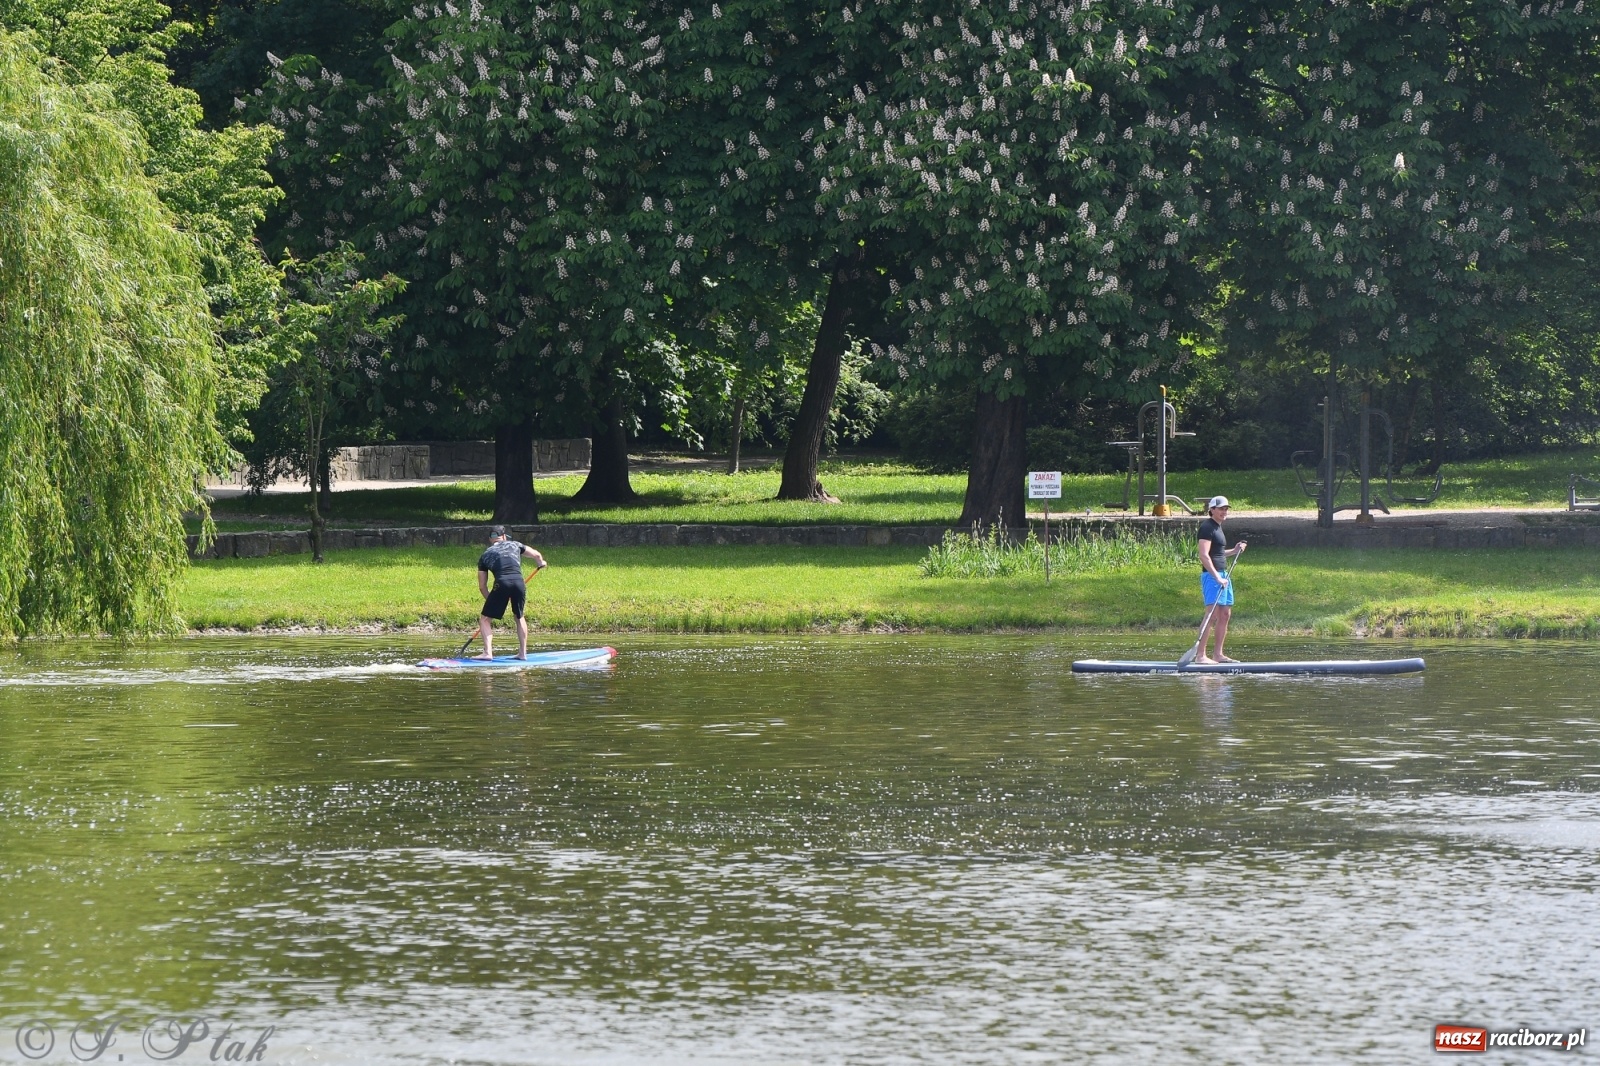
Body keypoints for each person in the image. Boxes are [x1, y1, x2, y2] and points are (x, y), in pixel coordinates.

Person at [474, 525, 547, 660]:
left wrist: (494, 603)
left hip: (501, 583)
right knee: (519, 617)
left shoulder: (485, 555)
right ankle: (522, 653)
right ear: (504, 537)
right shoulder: (515, 545)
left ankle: (487, 653)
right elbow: (536, 555)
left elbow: (482, 586)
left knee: (485, 619)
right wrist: (540, 562)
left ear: (491, 539)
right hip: (519, 583)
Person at [1195, 496, 1246, 665]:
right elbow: (1204, 555)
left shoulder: (1218, 527)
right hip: (1212, 577)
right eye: (1221, 509)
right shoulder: (1207, 527)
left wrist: (1235, 550)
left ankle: (1218, 655)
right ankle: (1200, 656)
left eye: (1226, 509)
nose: (1224, 511)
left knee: (1225, 614)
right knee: (1211, 615)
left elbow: (1217, 553)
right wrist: (1217, 577)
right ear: (1212, 510)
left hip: (1223, 575)